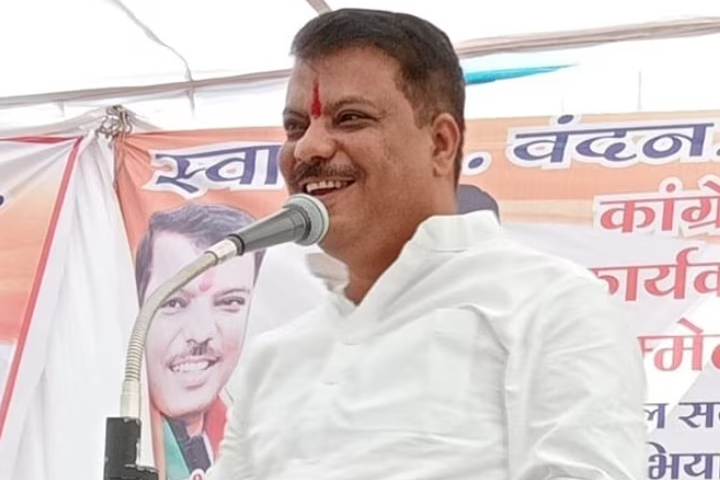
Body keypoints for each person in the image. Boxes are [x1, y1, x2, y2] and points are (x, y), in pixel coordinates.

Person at [208, 8, 646, 480]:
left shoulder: (548, 306)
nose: (308, 148)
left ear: (440, 144)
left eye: (350, 118)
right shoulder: (274, 359)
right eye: (295, 127)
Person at [134, 202, 264, 480]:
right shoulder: (91, 440)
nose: (201, 332)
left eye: (230, 302)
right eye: (174, 303)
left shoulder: (257, 441)